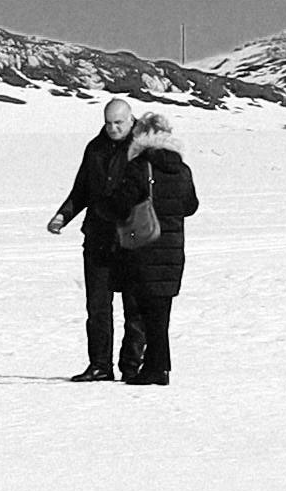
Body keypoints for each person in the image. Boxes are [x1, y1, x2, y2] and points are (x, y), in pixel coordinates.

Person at [45, 97, 147, 379]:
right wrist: (63, 216)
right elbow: (82, 189)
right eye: (108, 123)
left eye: (118, 123)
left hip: (133, 237)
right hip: (98, 236)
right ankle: (100, 365)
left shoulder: (145, 147)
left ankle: (132, 365)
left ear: (130, 119)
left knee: (135, 306)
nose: (113, 128)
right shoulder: (96, 148)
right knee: (97, 306)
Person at [109, 111, 200, 385]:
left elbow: (120, 205)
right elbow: (191, 206)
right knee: (162, 312)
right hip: (173, 248)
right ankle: (159, 367)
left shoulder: (139, 166)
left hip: (145, 246)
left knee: (148, 313)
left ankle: (155, 369)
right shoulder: (182, 168)